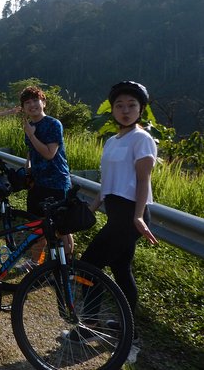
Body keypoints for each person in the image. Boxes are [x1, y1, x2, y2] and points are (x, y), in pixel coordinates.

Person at [63, 81, 158, 364]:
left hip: (130, 214)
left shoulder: (142, 139)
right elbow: (107, 182)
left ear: (141, 109)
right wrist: (92, 207)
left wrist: (138, 216)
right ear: (113, 110)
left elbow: (143, 180)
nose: (125, 110)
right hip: (116, 211)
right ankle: (129, 332)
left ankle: (93, 327)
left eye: (131, 105)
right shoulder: (113, 140)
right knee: (121, 270)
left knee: (89, 266)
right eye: (120, 106)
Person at [19, 86, 73, 270]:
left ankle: (65, 268)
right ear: (23, 108)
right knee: (37, 226)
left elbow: (50, 153)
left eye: (35, 100)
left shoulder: (53, 124)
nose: (32, 105)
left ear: (43, 102)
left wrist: (32, 135)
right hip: (37, 183)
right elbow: (30, 152)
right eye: (27, 103)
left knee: (61, 228)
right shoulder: (29, 126)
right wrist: (28, 170)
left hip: (56, 183)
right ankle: (35, 263)